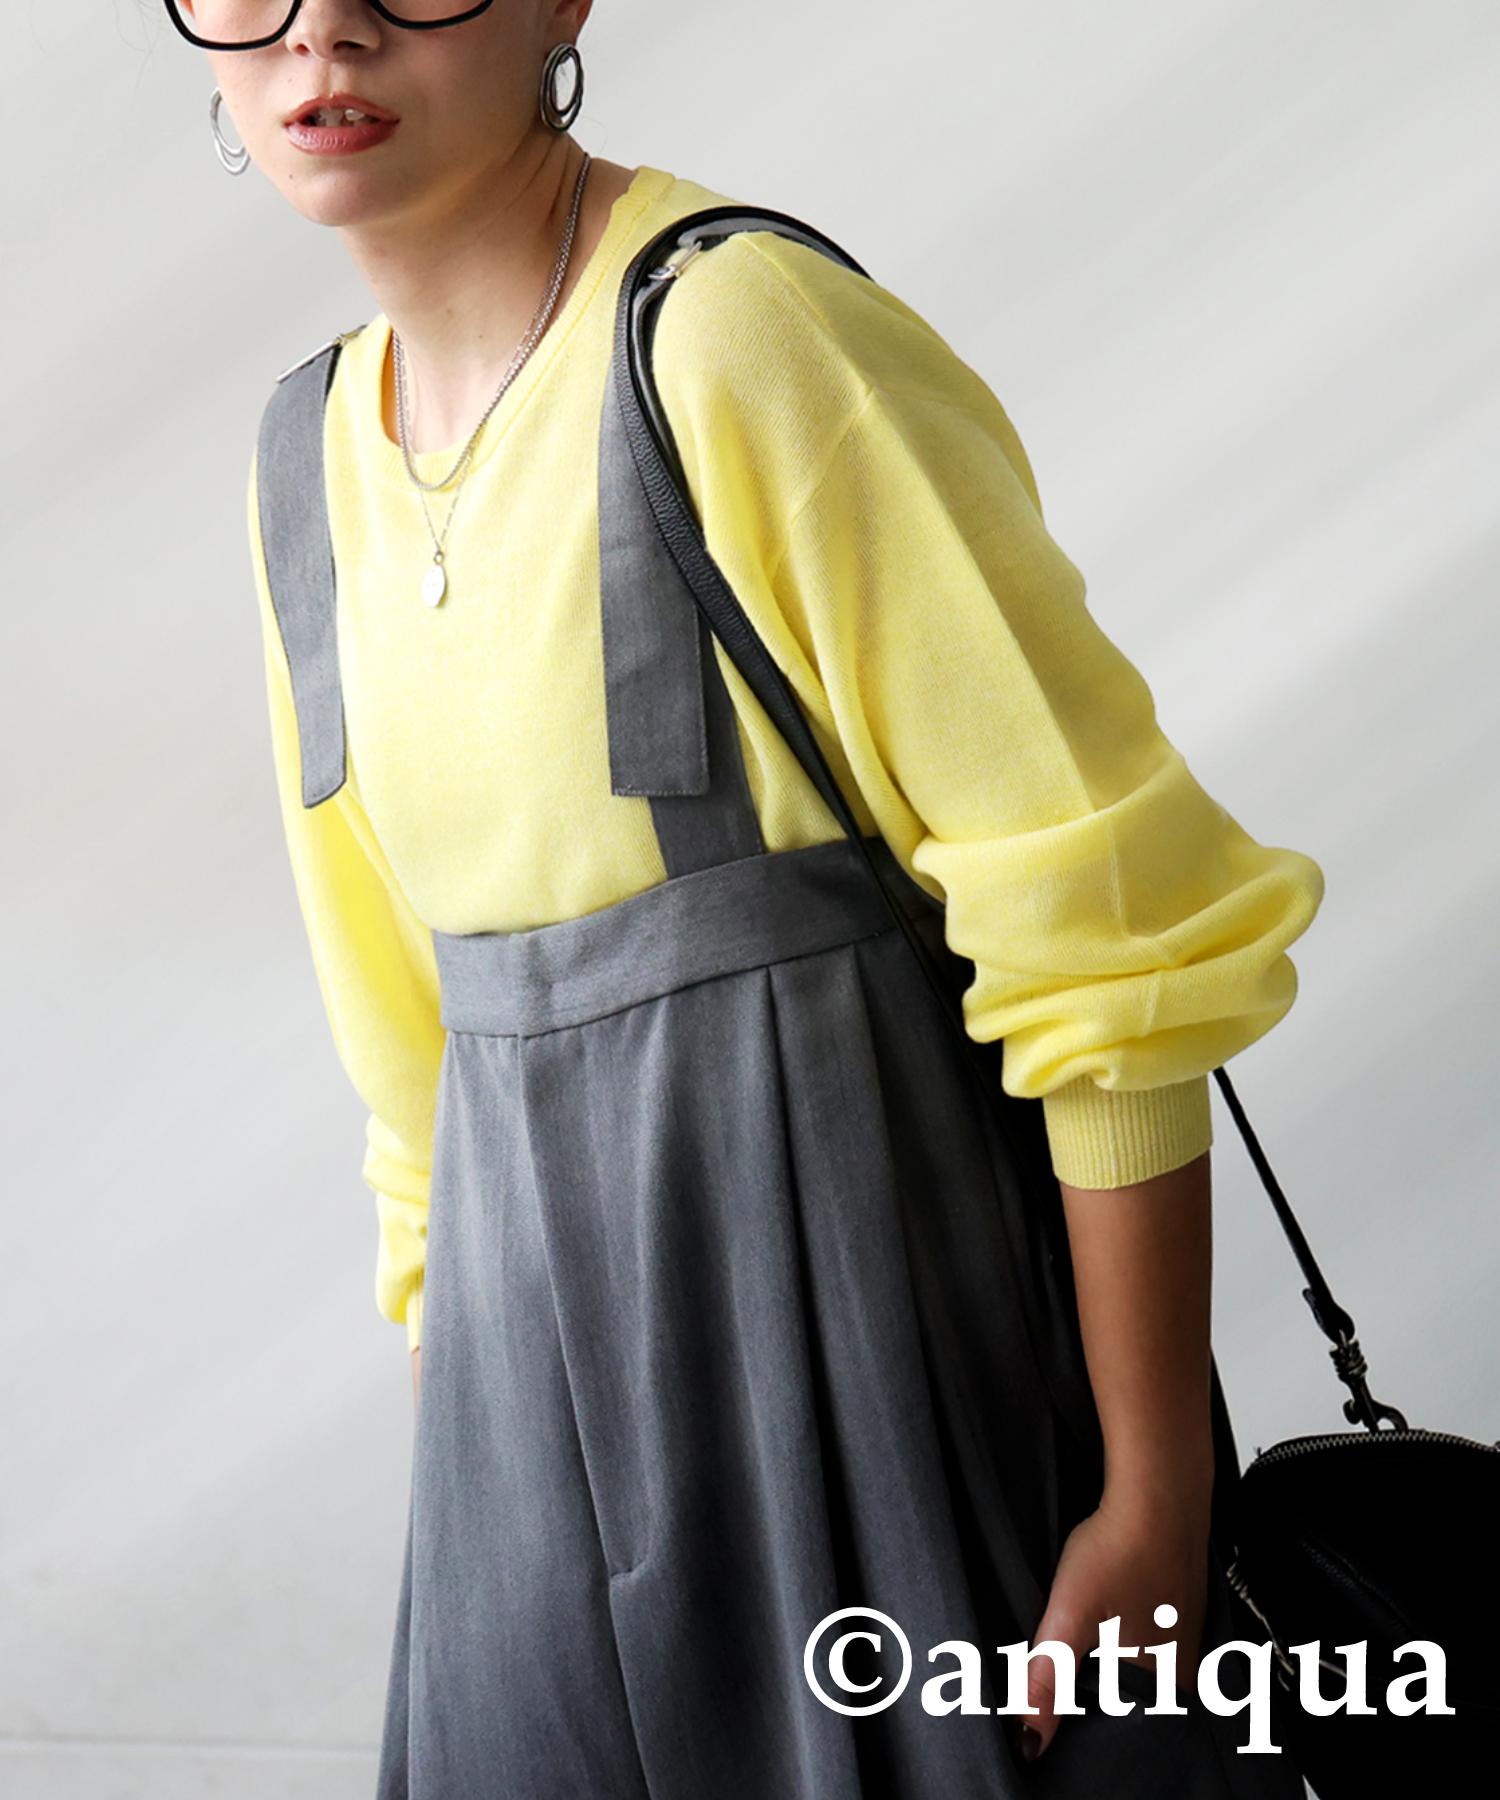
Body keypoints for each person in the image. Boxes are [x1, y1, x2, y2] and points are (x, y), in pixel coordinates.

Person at [171, 0, 1325, 1792]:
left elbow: (1100, 939)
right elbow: (408, 1057)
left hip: (866, 1335)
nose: (324, 31)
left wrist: (1153, 1490)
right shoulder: (302, 461)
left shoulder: (739, 336)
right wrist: (474, 1483)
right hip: (520, 1410)